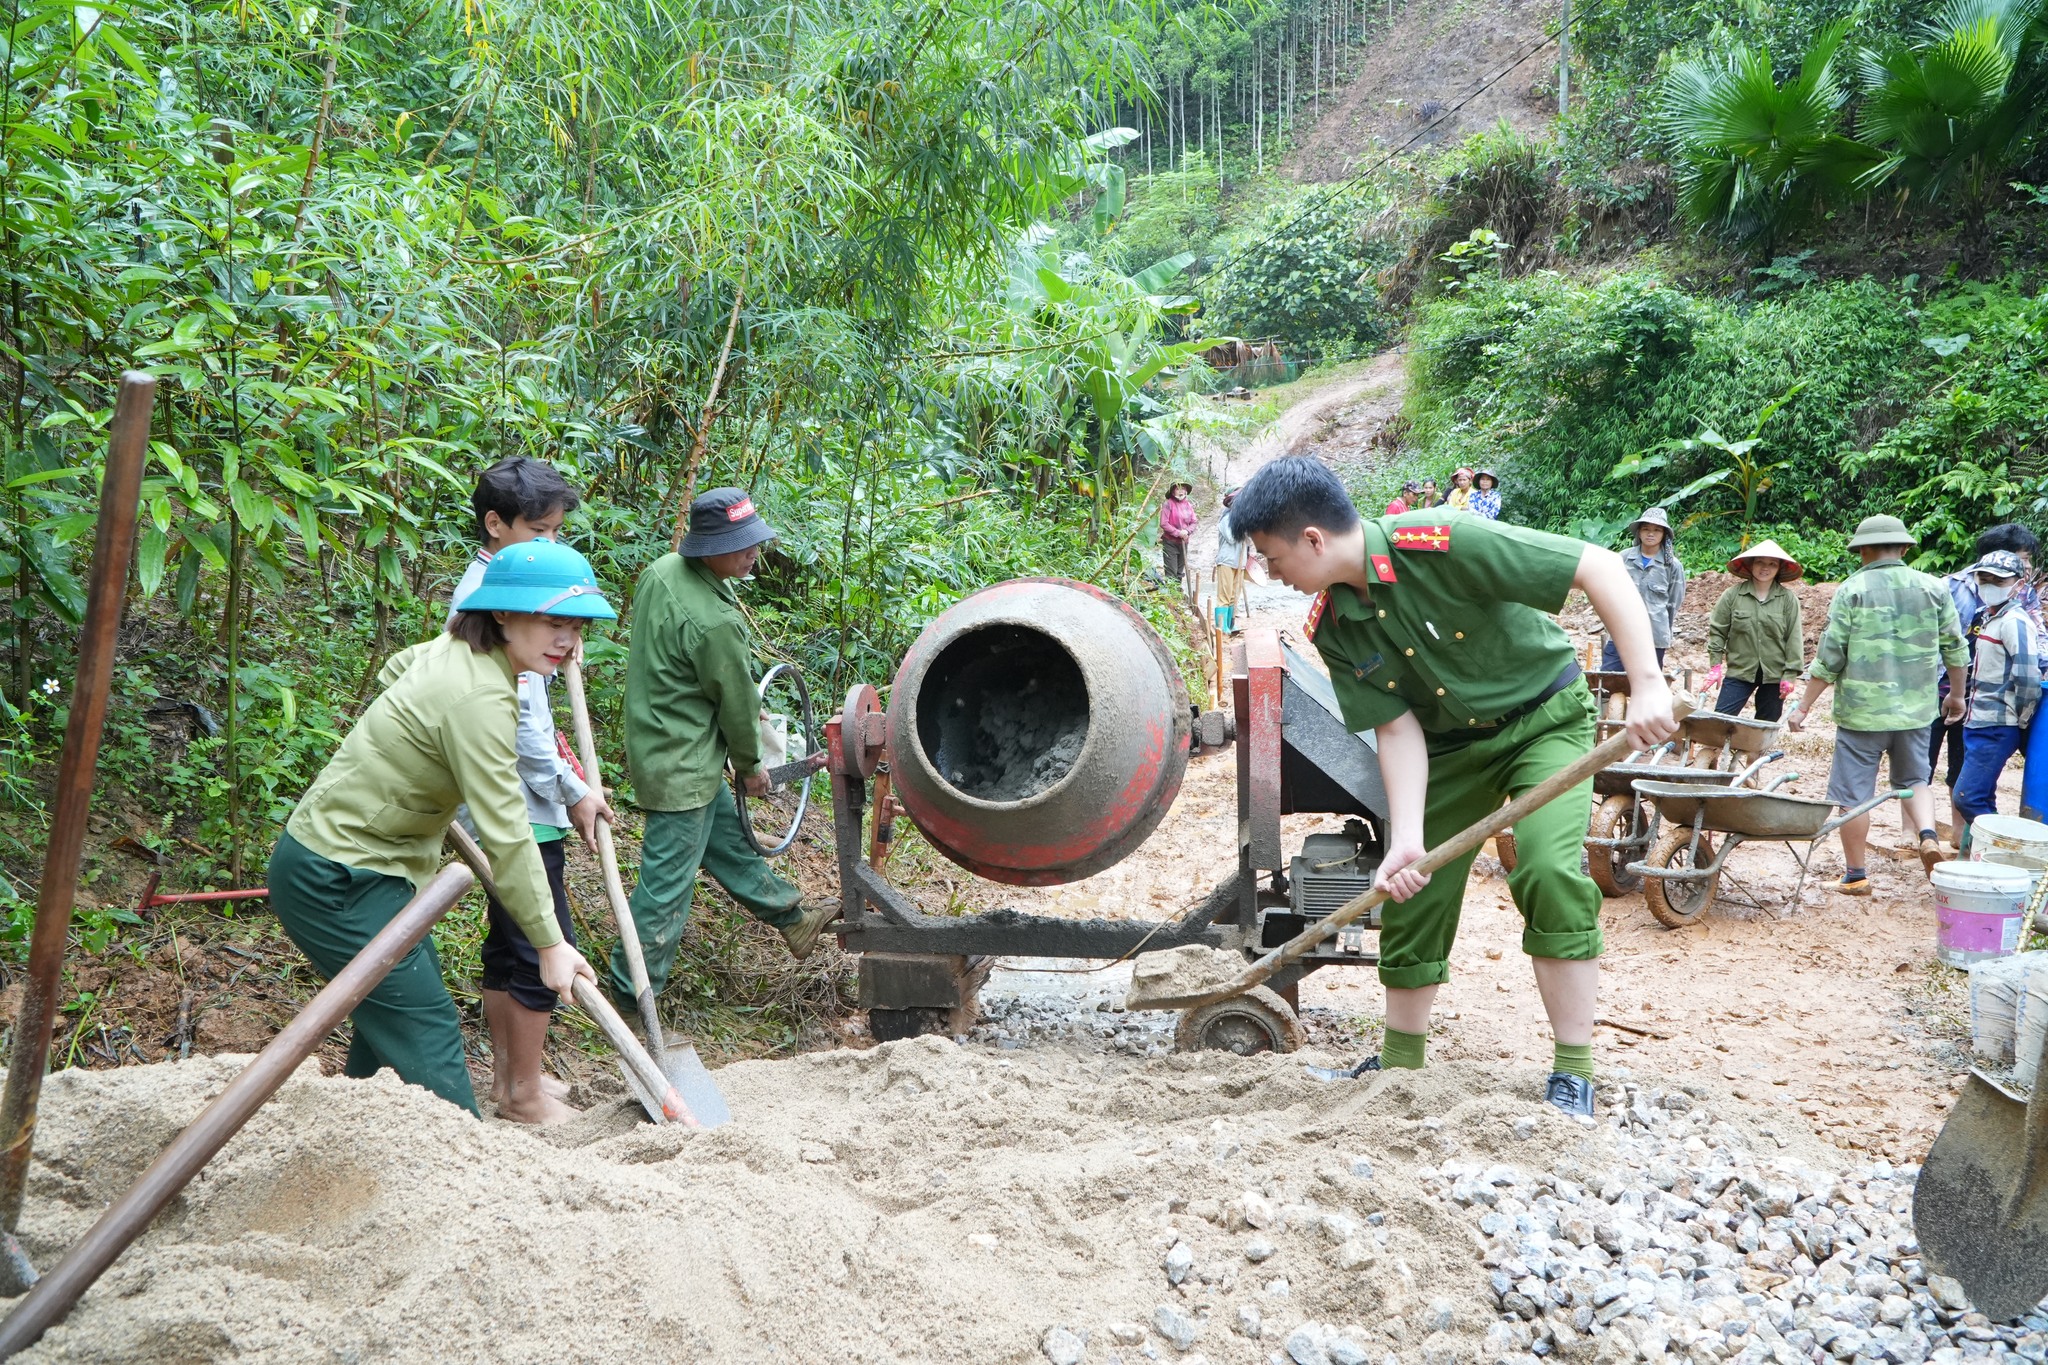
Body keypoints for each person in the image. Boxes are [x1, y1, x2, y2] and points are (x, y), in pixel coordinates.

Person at [1229, 456, 1678, 1117]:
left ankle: (1573, 1074)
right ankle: (1400, 1069)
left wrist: (1646, 681)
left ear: (1314, 541)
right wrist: (1406, 839)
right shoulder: (1335, 623)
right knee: (1411, 888)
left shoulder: (1441, 540)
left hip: (1541, 723)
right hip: (1449, 750)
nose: (1270, 574)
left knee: (1550, 871)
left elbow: (1596, 566)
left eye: (1270, 556)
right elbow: (1397, 726)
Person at [266, 541, 612, 1118]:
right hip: (337, 876)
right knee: (424, 1022)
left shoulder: (453, 652)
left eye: (576, 628)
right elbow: (506, 831)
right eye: (554, 623)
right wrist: (551, 947)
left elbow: (394, 668)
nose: (568, 642)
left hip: (368, 866)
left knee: (387, 1020)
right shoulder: (477, 696)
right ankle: (464, 1177)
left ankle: (355, 1138)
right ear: (501, 613)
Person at [616, 488, 837, 1010]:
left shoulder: (663, 572)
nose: (752, 553)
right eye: (740, 545)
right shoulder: (716, 622)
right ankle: (632, 1001)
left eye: (754, 541)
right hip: (682, 768)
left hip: (661, 743)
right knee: (665, 892)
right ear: (707, 546)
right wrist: (751, 767)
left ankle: (793, 919)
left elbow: (683, 669)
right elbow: (736, 706)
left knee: (728, 845)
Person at [445, 457, 611, 1123]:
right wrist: (572, 789)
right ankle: (523, 1094)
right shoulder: (496, 604)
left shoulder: (510, 589)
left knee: (506, 943)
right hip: (517, 802)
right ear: (495, 523)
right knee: (542, 944)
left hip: (504, 796)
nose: (550, 546)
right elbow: (525, 730)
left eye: (556, 533)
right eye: (538, 532)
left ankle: (514, 1079)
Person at [1787, 515, 1967, 893]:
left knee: (1853, 796)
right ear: (1904, 549)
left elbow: (1830, 656)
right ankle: (1929, 835)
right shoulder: (1934, 588)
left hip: (1861, 715)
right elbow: (1956, 649)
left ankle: (1856, 876)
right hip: (1916, 711)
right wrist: (1956, 695)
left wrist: (1803, 706)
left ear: (1862, 552)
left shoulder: (1852, 589)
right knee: (1915, 779)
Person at [1932, 523, 2043, 822]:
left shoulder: (2014, 620)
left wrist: (2020, 718)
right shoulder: (1985, 613)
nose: (1990, 584)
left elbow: (2028, 674)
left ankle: (1993, 850)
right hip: (1960, 702)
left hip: (1994, 719)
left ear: (2016, 584)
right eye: (1985, 577)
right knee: (1942, 774)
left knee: (1968, 794)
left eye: (1999, 579)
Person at [1704, 540, 1805, 722]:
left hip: (1775, 675)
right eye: (1760, 562)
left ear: (1779, 568)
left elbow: (1794, 638)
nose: (1765, 568)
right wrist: (1716, 666)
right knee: (1719, 721)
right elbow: (1718, 631)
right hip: (1740, 671)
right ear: (1751, 565)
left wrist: (1790, 674)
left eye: (1772, 564)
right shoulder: (1732, 595)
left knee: (1764, 726)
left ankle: (1753, 752)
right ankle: (1713, 750)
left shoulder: (1788, 600)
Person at [1601, 508, 1685, 673]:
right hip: (1621, 630)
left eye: (1656, 530)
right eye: (1646, 529)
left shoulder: (1672, 566)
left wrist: (1663, 627)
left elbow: (1674, 603)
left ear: (1664, 534)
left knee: (1647, 682)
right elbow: (1609, 593)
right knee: (1608, 678)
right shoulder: (1623, 558)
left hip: (1655, 635)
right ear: (1639, 532)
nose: (1650, 534)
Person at [1213, 486, 1250, 623]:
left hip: (1240, 562)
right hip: (1227, 561)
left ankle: (1230, 623)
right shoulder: (1226, 520)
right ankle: (1221, 627)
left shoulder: (1245, 521)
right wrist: (1244, 530)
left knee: (1235, 595)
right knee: (1225, 595)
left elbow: (1250, 540)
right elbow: (1231, 537)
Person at [1158, 482, 1198, 589]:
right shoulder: (1168, 504)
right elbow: (1164, 523)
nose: (1181, 491)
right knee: (1171, 571)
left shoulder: (1188, 505)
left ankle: (1177, 594)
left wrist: (1187, 531)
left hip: (1184, 542)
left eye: (1183, 488)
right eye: (1178, 488)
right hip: (1170, 542)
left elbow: (1194, 522)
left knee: (1180, 571)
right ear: (1172, 491)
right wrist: (1178, 532)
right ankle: (1171, 595)